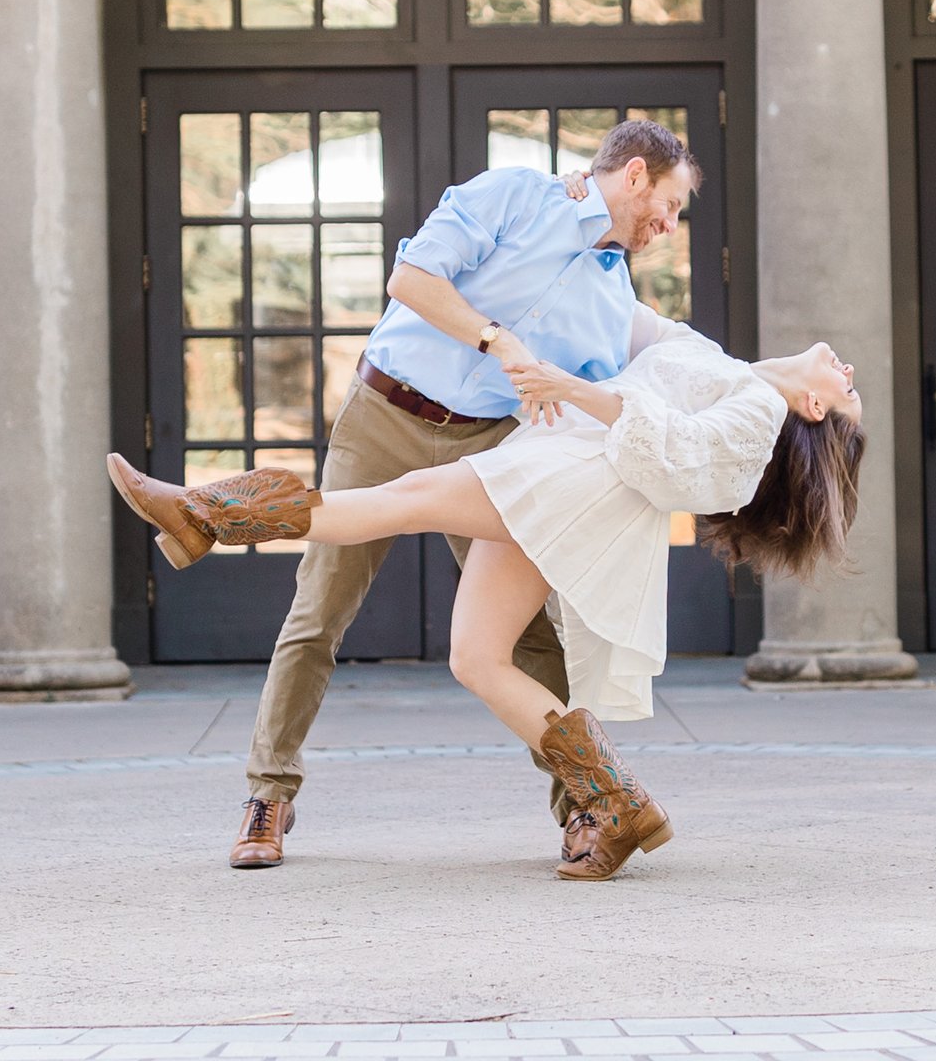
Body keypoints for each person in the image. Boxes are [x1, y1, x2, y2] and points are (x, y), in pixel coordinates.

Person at [108, 321, 864, 880]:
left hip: (569, 482)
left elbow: (688, 458)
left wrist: (570, 390)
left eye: (849, 390)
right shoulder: (719, 360)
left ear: (814, 409)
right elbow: (612, 310)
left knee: (394, 502)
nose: (846, 366)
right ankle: (620, 800)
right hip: (553, 468)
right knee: (476, 657)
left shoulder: (762, 408)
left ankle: (201, 514)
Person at [198, 119, 700, 870]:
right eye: (670, 204)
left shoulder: (610, 295)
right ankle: (269, 793)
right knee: (319, 611)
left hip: (488, 443)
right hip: (385, 415)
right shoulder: (510, 197)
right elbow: (412, 279)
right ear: (634, 175)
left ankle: (587, 807)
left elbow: (594, 396)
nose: (669, 226)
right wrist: (500, 341)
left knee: (529, 635)